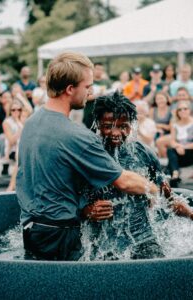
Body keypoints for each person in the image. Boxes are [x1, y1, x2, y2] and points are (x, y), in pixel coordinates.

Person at [16, 52, 158, 261]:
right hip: (60, 234)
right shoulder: (75, 135)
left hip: (32, 229)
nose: (90, 92)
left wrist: (83, 207)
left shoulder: (32, 122)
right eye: (87, 86)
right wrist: (153, 189)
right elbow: (125, 182)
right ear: (70, 89)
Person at [81, 91, 193, 261]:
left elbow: (168, 198)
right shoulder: (87, 156)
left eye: (123, 126)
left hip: (143, 239)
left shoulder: (144, 154)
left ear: (132, 125)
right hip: (104, 243)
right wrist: (86, 210)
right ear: (97, 124)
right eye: (108, 125)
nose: (116, 132)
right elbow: (68, 201)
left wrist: (192, 215)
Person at [167, 100, 193, 187]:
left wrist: (183, 147)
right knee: (170, 150)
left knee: (170, 163)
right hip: (180, 153)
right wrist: (178, 146)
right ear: (177, 112)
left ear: (189, 110)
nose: (182, 111)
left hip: (191, 153)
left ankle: (174, 175)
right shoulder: (175, 124)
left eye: (185, 109)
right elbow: (172, 141)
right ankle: (175, 174)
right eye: (180, 109)